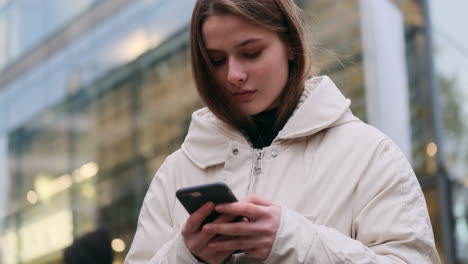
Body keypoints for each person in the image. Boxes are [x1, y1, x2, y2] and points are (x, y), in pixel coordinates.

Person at [125, 0, 440, 263]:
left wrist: (294, 241)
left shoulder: (370, 154)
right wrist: (186, 255)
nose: (233, 74)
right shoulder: (176, 171)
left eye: (251, 53)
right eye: (217, 60)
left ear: (291, 44)